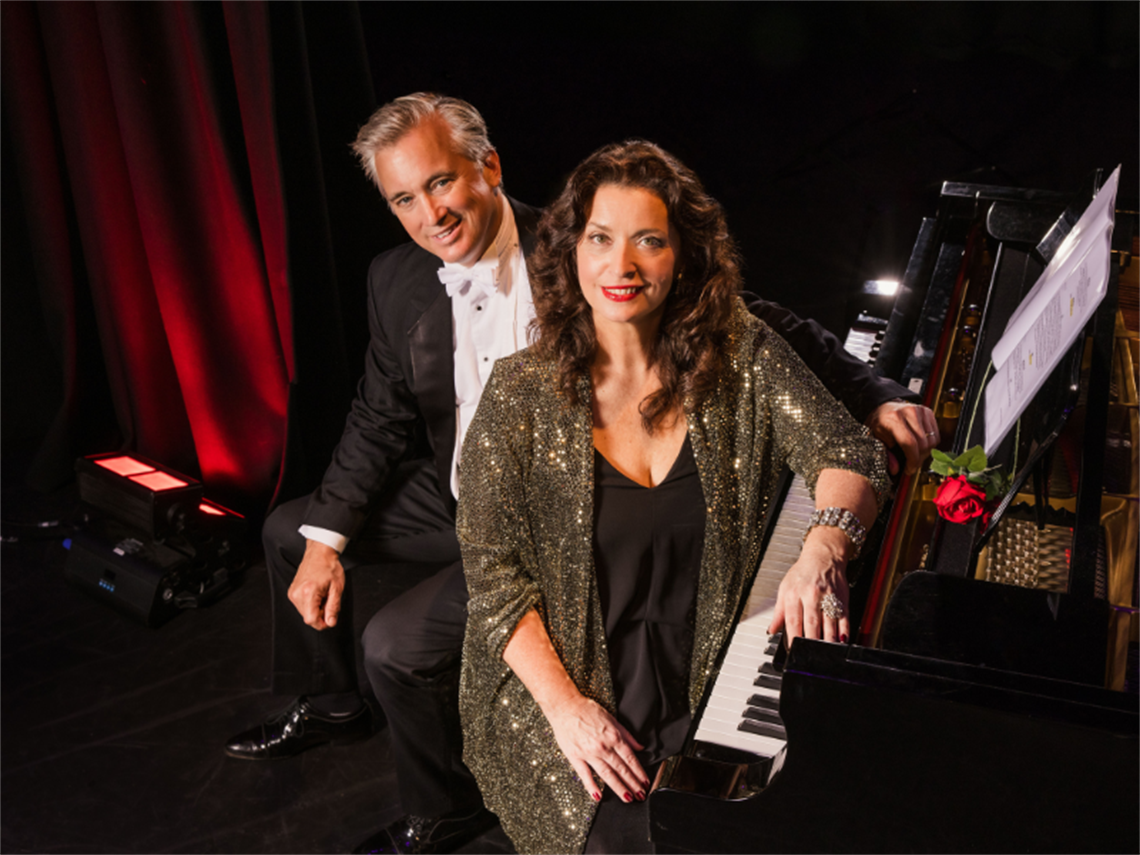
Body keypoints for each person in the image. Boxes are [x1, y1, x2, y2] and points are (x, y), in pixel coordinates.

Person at [222, 93, 937, 855]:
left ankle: (444, 806)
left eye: (440, 183)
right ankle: (335, 705)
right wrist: (328, 536)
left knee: (393, 646)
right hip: (459, 483)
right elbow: (376, 416)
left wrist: (876, 393)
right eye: (404, 198)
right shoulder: (395, 280)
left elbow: (759, 325)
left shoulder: (584, 243)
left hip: (559, 503)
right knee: (290, 531)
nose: (428, 213)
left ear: (487, 167)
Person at [456, 140, 891, 855]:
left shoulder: (739, 351)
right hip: (567, 692)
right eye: (600, 238)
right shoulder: (516, 396)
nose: (620, 266)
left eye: (647, 241)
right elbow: (493, 582)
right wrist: (568, 711)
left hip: (710, 671)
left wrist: (824, 545)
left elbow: (847, 453)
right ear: (572, 251)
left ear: (684, 255)